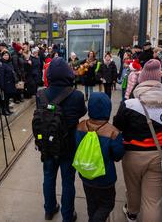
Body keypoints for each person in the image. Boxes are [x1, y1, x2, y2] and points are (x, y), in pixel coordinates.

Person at [113, 59, 162, 222]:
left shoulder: (129, 104)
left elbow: (117, 126)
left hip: (133, 154)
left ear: (142, 80)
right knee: (153, 201)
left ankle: (132, 213)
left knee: (133, 189)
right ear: (159, 80)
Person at [36, 57, 86, 222]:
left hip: (48, 145)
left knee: (48, 177)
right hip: (69, 145)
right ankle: (67, 215)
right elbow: (81, 112)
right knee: (68, 181)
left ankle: (49, 210)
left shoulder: (41, 95)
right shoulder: (76, 95)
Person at [75, 92, 124, 222]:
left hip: (85, 175)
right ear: (108, 109)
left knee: (91, 203)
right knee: (107, 204)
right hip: (105, 178)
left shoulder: (80, 126)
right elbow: (118, 155)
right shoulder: (113, 132)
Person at [0, 50, 16, 115]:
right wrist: (2, 85)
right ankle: (4, 110)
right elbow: (2, 76)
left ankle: (7, 109)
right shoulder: (2, 64)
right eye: (5, 55)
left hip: (10, 83)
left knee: (8, 97)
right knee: (4, 98)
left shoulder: (9, 63)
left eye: (7, 55)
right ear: (2, 56)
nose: (6, 56)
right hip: (5, 83)